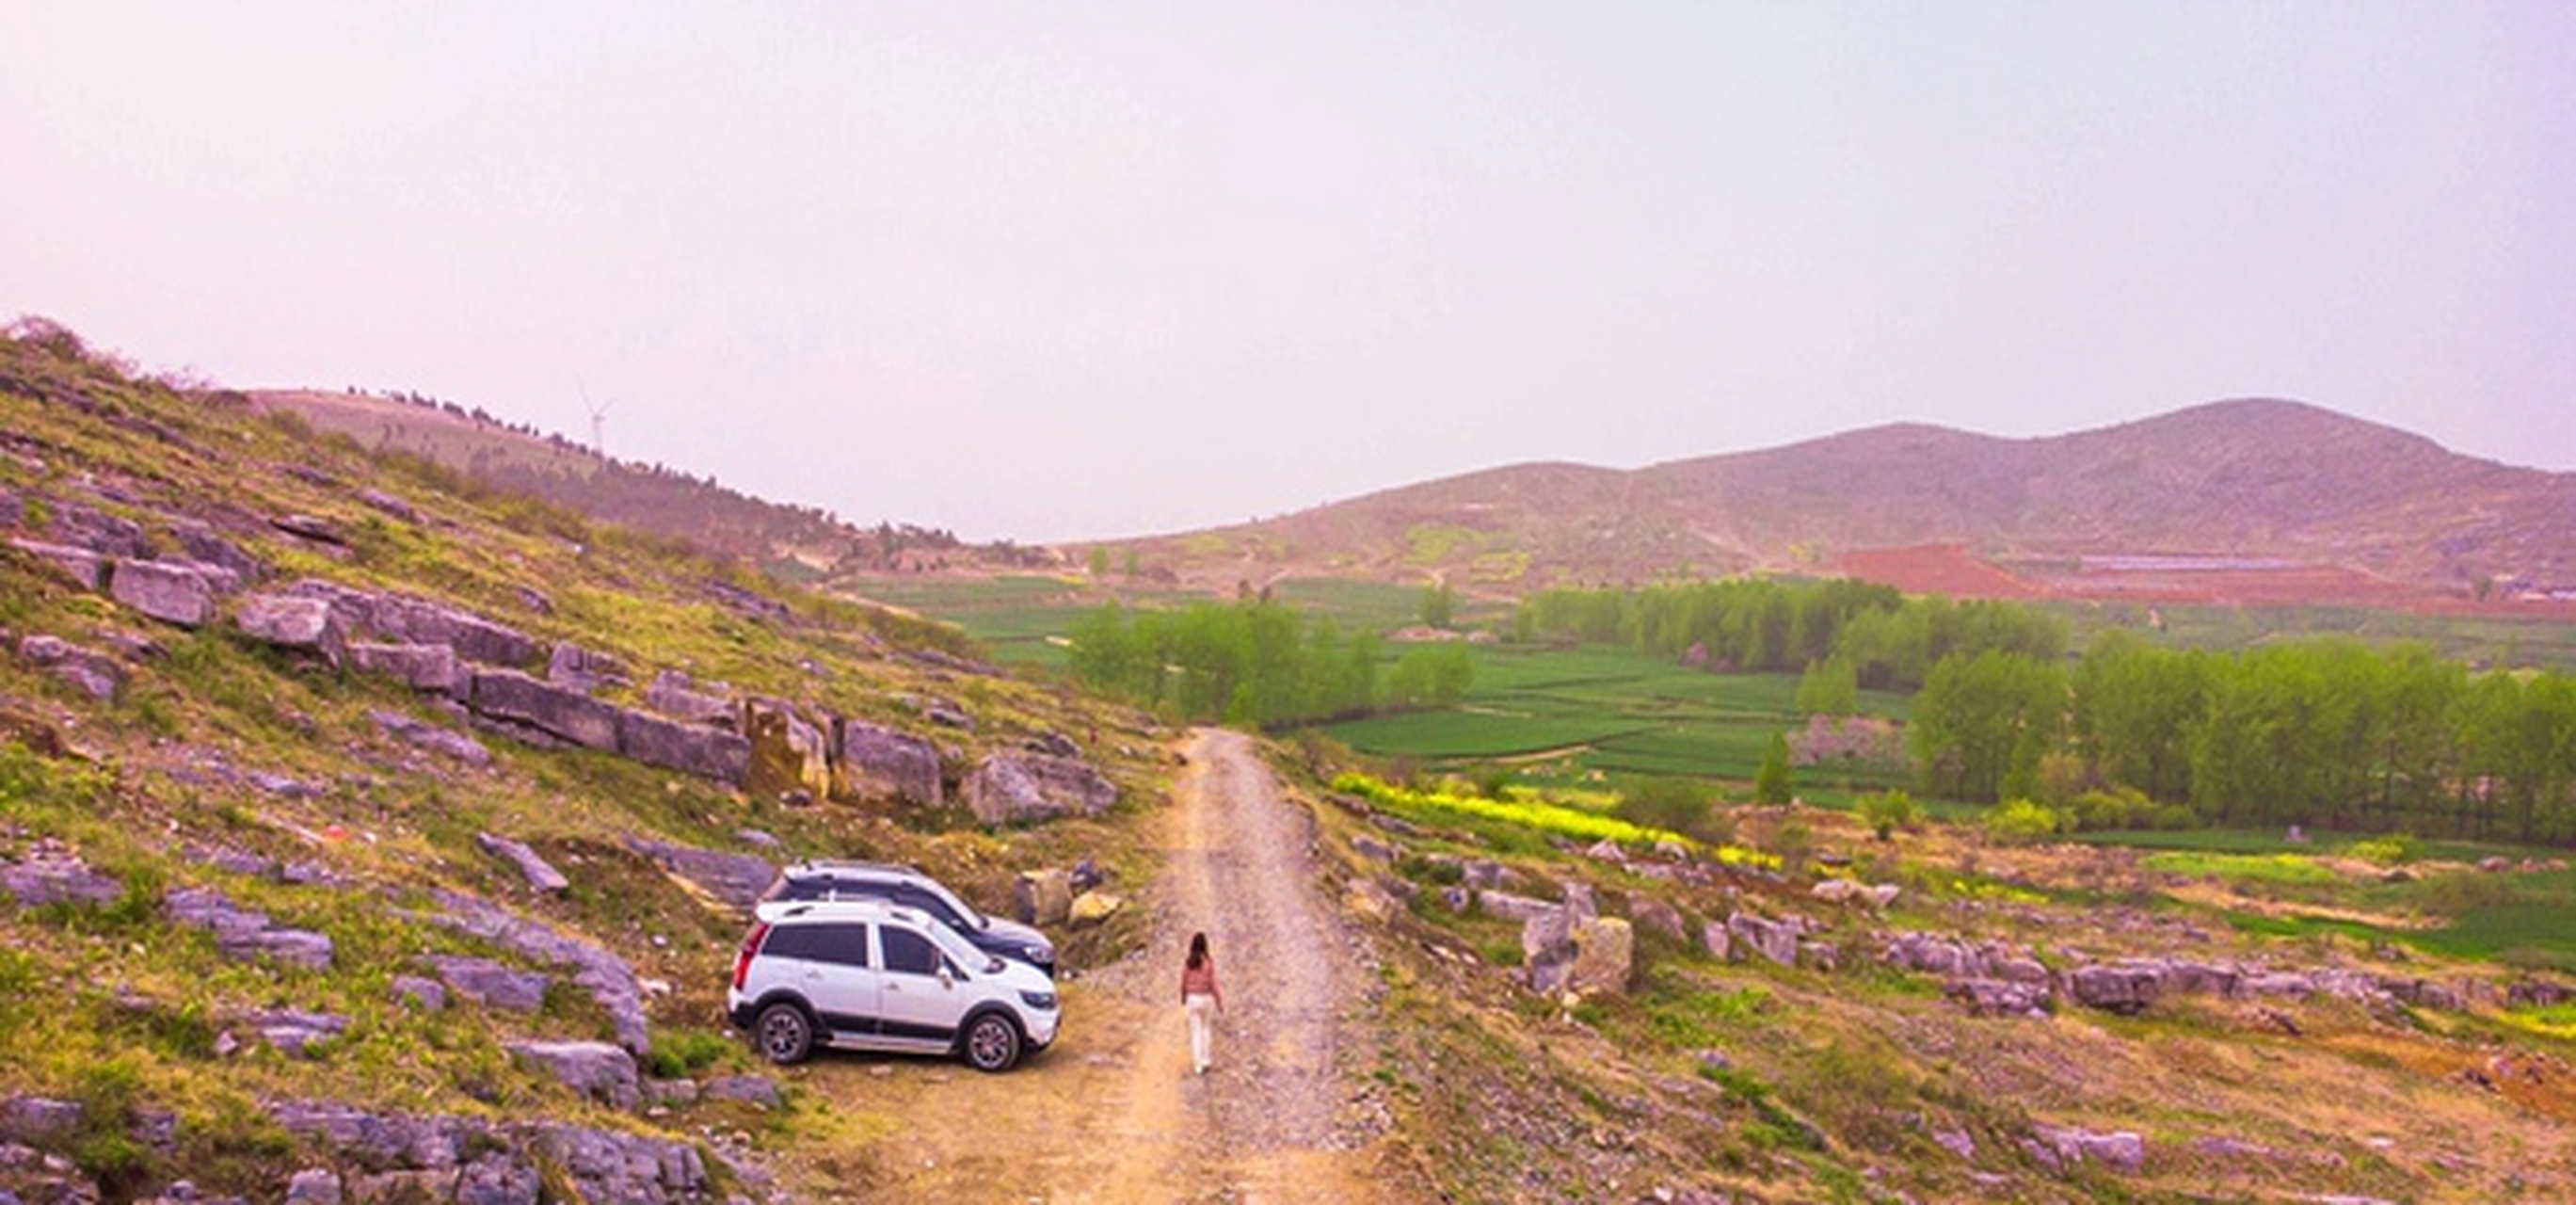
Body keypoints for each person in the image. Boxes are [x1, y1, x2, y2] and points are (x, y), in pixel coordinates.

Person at [1180, 931, 1224, 1075]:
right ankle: (1206, 1059)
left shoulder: (1189, 963)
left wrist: (1183, 997)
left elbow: (1183, 981)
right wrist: (1219, 1001)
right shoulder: (1208, 963)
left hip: (1192, 999)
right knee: (1206, 1029)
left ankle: (1197, 1065)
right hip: (1206, 998)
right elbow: (1214, 984)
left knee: (1195, 1033)